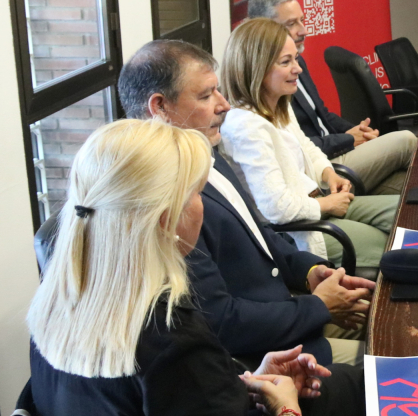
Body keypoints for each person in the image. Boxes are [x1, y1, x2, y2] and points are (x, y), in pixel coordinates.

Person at [25, 119, 364, 415]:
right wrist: (285, 405)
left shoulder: (54, 304)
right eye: (198, 193)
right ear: (166, 219)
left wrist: (242, 384)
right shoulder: (170, 335)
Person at [118, 39, 374, 367]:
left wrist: (310, 270)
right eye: (206, 95)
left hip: (289, 318)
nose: (224, 105)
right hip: (264, 363)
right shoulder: (166, 204)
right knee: (392, 362)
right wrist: (319, 308)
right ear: (160, 107)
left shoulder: (208, 151)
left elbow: (261, 234)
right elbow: (221, 322)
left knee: (391, 318)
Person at [218, 18, 397, 268]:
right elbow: (276, 208)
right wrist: (326, 204)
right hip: (299, 233)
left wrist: (328, 173)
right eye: (286, 62)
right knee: (391, 247)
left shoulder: (277, 103)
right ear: (256, 68)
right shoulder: (245, 126)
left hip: (316, 204)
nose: (298, 69)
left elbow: (307, 148)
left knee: (403, 214)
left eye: (296, 59)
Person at [248, 0, 415, 196]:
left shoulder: (297, 61)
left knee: (408, 187)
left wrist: (358, 132)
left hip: (332, 156)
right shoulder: (269, 81)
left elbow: (323, 116)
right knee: (407, 140)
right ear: (264, 29)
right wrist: (349, 139)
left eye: (302, 20)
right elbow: (298, 148)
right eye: (291, 24)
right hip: (320, 168)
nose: (303, 30)